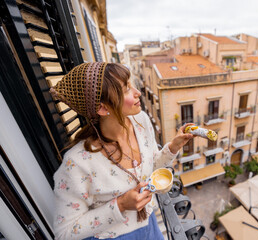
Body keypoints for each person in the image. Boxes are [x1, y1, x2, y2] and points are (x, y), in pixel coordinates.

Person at [51, 62, 194, 240]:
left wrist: (174, 146)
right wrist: (120, 205)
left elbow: (150, 169)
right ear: (102, 108)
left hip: (149, 224)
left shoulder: (140, 121)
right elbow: (65, 232)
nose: (138, 92)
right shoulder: (77, 162)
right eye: (126, 89)